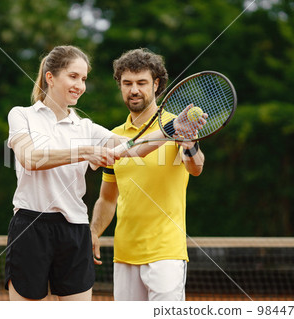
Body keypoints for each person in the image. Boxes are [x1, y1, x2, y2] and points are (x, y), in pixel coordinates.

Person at [4, 46, 203, 301]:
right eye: (73, 76)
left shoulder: (86, 126)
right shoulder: (21, 115)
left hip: (75, 230)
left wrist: (171, 128)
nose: (80, 85)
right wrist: (85, 151)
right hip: (30, 227)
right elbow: (29, 158)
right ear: (50, 77)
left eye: (84, 79)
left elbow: (132, 149)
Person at [90, 48, 206, 301]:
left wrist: (189, 145)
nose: (134, 90)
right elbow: (107, 198)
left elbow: (196, 167)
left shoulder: (178, 123)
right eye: (127, 83)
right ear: (120, 86)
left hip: (166, 252)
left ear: (156, 84)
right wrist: (93, 232)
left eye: (141, 83)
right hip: (125, 254)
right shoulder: (114, 135)